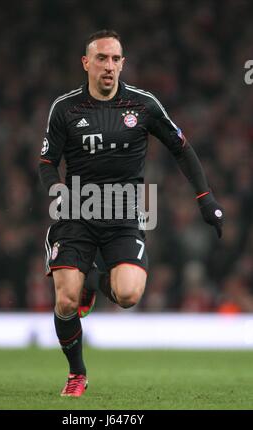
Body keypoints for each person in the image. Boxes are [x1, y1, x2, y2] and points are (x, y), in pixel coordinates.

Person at [39, 29, 224, 397]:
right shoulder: (65, 107)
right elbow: (47, 162)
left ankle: (93, 281)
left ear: (123, 63)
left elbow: (182, 149)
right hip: (78, 211)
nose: (110, 66)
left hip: (124, 214)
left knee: (127, 295)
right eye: (102, 58)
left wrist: (206, 199)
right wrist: (56, 190)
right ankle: (77, 373)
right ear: (86, 63)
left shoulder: (143, 105)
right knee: (65, 299)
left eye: (116, 59)